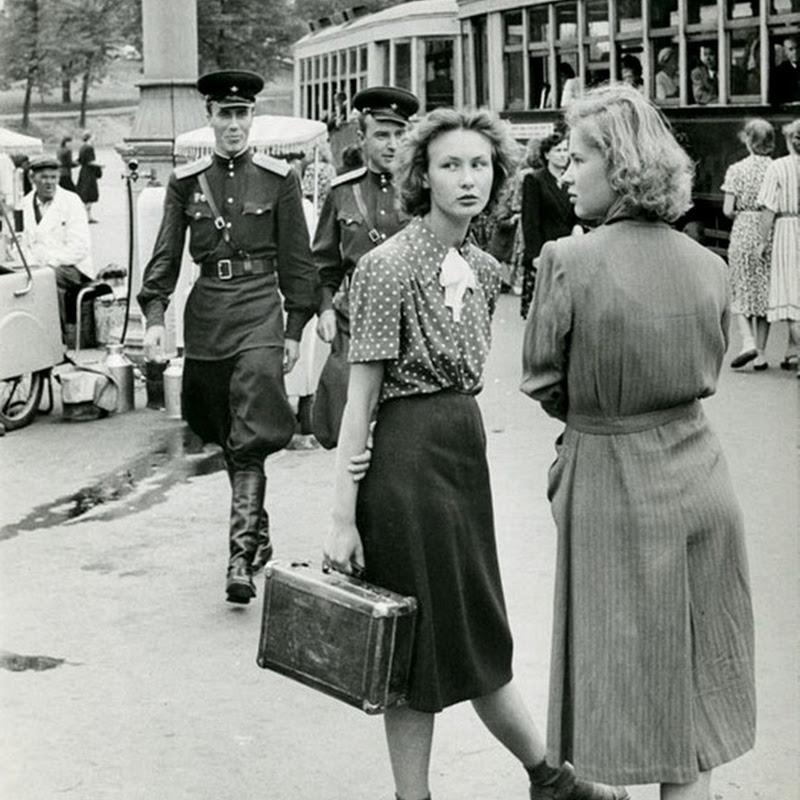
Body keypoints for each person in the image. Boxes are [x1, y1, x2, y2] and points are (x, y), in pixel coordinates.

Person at [324, 106, 629, 800]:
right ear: (422, 177)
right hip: (405, 466)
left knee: (475, 627)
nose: (468, 179)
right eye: (450, 165)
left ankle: (550, 779)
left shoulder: (486, 270)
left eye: (480, 165)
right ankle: (527, 783)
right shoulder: (385, 267)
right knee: (412, 642)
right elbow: (359, 403)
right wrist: (342, 517)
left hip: (462, 460)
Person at [521, 86, 755, 800]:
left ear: (619, 167)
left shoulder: (568, 260)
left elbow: (542, 379)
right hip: (701, 476)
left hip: (610, 480)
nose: (566, 172)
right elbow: (713, 361)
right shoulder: (708, 265)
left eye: (578, 157)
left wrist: (596, 409)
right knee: (695, 687)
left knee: (614, 683)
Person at [137, 70, 318, 605]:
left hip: (260, 310)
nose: (234, 125)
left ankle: (239, 560)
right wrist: (154, 317)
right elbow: (166, 255)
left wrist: (293, 329)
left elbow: (297, 261)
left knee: (252, 426)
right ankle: (257, 530)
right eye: (225, 114)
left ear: (252, 118)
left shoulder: (279, 179)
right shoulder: (186, 182)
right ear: (210, 117)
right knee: (222, 423)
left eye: (242, 114)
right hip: (208, 316)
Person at [311, 85, 419, 447]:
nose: (392, 144)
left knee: (404, 422)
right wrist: (325, 309)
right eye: (382, 135)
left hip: (411, 320)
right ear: (361, 138)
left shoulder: (422, 192)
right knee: (348, 423)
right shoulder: (342, 192)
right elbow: (323, 262)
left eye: (400, 135)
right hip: (354, 321)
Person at [20, 154, 95, 340]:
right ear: (32, 178)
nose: (49, 182)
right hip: (35, 266)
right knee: (14, 282)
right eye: (44, 177)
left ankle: (56, 341)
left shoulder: (72, 201)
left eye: (53, 177)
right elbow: (20, 241)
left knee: (47, 279)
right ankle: (24, 337)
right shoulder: (24, 204)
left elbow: (80, 247)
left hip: (71, 267)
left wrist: (50, 263)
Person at [722, 118, 775, 370]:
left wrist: (742, 214)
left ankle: (747, 341)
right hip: (768, 229)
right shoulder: (776, 168)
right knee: (764, 292)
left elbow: (727, 210)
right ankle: (761, 355)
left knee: (740, 286)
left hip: (743, 228)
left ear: (748, 141)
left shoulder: (736, 169)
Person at [757, 119, 800, 373]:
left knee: (791, 294)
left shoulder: (778, 167)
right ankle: (792, 352)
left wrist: (763, 241)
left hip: (787, 231)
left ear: (789, 140)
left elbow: (768, 209)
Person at [520, 130, 576, 319]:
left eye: (565, 150)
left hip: (568, 250)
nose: (563, 155)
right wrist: (535, 255)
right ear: (547, 154)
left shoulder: (571, 180)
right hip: (544, 249)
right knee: (543, 312)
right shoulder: (535, 180)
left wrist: (578, 228)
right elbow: (530, 220)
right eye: (558, 150)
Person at [76, 131, 100, 222]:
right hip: (89, 173)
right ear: (90, 138)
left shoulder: (82, 147)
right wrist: (100, 165)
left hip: (83, 172)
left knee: (85, 193)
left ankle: (88, 216)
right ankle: (87, 216)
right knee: (90, 194)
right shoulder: (89, 148)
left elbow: (80, 160)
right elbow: (90, 162)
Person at [770, 36, 799, 105]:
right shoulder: (779, 72)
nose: (795, 52)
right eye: (791, 49)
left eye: (797, 48)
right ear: (784, 51)